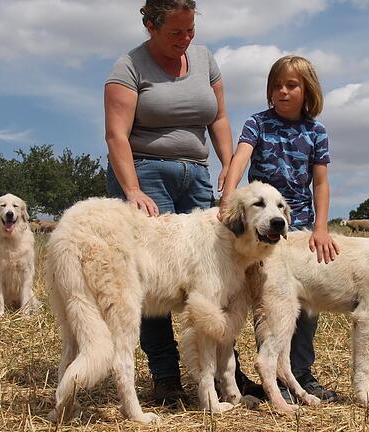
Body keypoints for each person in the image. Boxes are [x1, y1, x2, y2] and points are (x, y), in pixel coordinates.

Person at [104, 0, 235, 406]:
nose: (186, 39)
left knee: (214, 277)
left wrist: (229, 165)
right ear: (150, 25)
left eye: (190, 30)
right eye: (175, 32)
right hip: (145, 174)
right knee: (153, 277)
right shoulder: (129, 67)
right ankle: (165, 377)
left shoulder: (204, 59)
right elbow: (116, 136)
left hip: (196, 175)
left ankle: (221, 373)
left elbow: (219, 118)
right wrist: (132, 190)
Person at [219, 55, 341, 403]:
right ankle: (271, 376)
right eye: (277, 85)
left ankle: (300, 374)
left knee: (304, 307)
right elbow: (239, 160)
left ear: (308, 91)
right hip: (261, 232)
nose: (282, 91)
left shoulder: (316, 131)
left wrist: (321, 228)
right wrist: (228, 200)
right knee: (270, 303)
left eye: (291, 85)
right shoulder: (258, 123)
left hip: (298, 229)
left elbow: (320, 183)